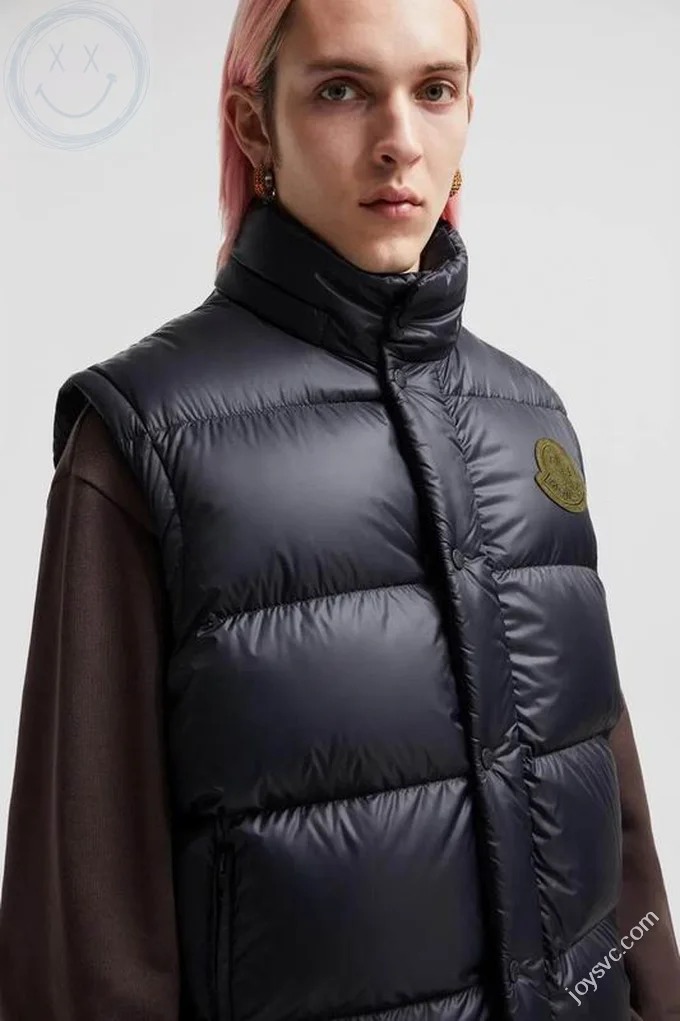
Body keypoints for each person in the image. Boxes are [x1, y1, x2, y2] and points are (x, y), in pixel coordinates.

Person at [0, 0, 679, 1019]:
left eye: (434, 89)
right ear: (253, 124)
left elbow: (611, 817)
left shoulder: (528, 418)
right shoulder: (144, 439)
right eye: (341, 90)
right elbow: (87, 925)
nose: (399, 141)